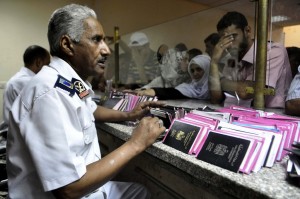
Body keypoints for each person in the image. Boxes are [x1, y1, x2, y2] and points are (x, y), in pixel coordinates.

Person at [6, 4, 166, 199]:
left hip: (83, 187)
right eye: (96, 40)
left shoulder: (69, 81)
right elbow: (69, 189)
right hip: (67, 192)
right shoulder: (48, 93)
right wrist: (136, 143)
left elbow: (90, 108)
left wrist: (129, 114)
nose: (106, 50)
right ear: (67, 45)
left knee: (139, 192)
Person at [209, 11, 292, 108]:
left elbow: (245, 92)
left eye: (233, 37)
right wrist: (214, 62)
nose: (229, 45)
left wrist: (221, 82)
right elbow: (215, 98)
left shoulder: (272, 51)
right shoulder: (233, 57)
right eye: (225, 40)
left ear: (247, 31)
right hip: (245, 113)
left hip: (275, 114)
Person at [1, 45, 50, 132]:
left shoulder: (18, 79)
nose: (49, 69)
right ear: (38, 62)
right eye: (47, 64)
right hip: (17, 136)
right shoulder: (29, 82)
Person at [130, 55, 211, 100]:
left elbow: (173, 92)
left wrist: (152, 91)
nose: (195, 73)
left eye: (199, 69)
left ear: (207, 69)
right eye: (192, 71)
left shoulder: (214, 87)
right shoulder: (191, 86)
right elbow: (175, 92)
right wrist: (144, 91)